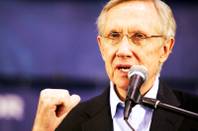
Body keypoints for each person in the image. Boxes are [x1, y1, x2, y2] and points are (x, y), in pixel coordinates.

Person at [32, 0, 198, 131]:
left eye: (138, 36)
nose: (123, 50)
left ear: (165, 49)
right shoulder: (72, 121)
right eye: (114, 35)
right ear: (101, 47)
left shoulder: (192, 114)